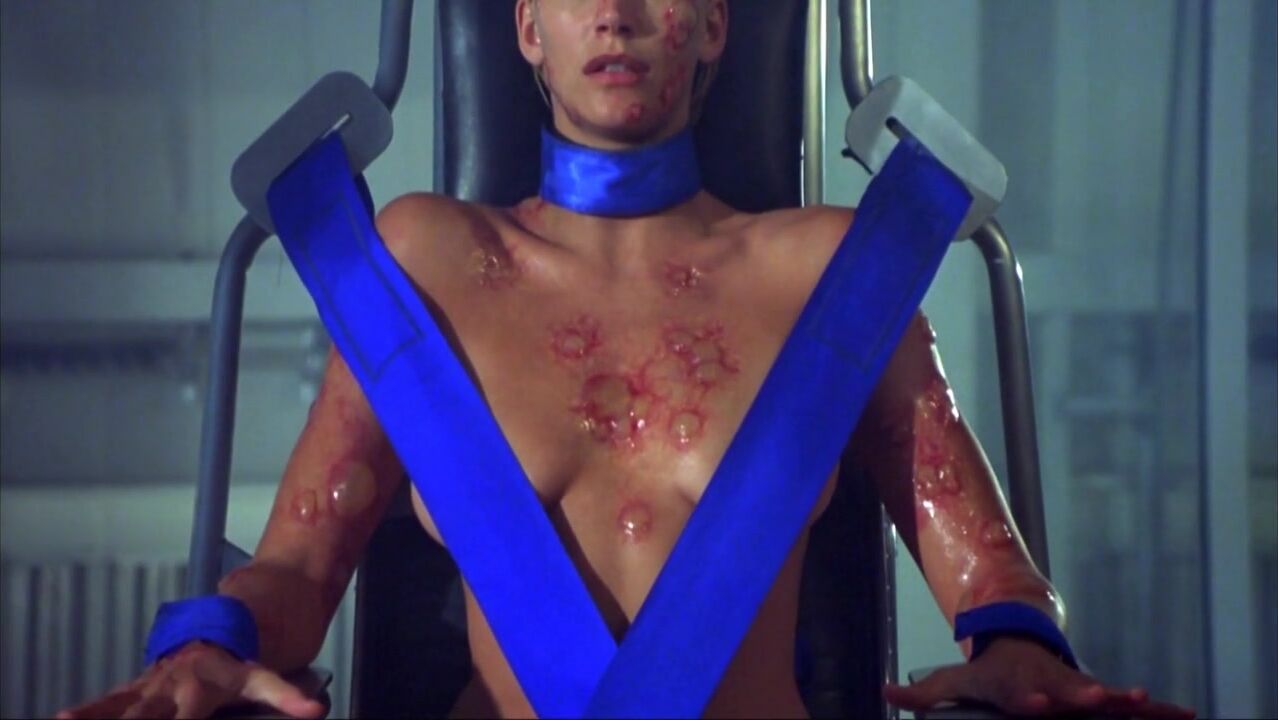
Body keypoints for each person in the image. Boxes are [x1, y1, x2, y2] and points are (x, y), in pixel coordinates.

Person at [59, 1, 1197, 718]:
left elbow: (993, 577)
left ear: (713, 26)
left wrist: (1019, 651)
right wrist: (210, 646)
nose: (614, 13)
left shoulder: (835, 274)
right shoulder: (421, 263)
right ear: (526, 29)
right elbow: (298, 572)